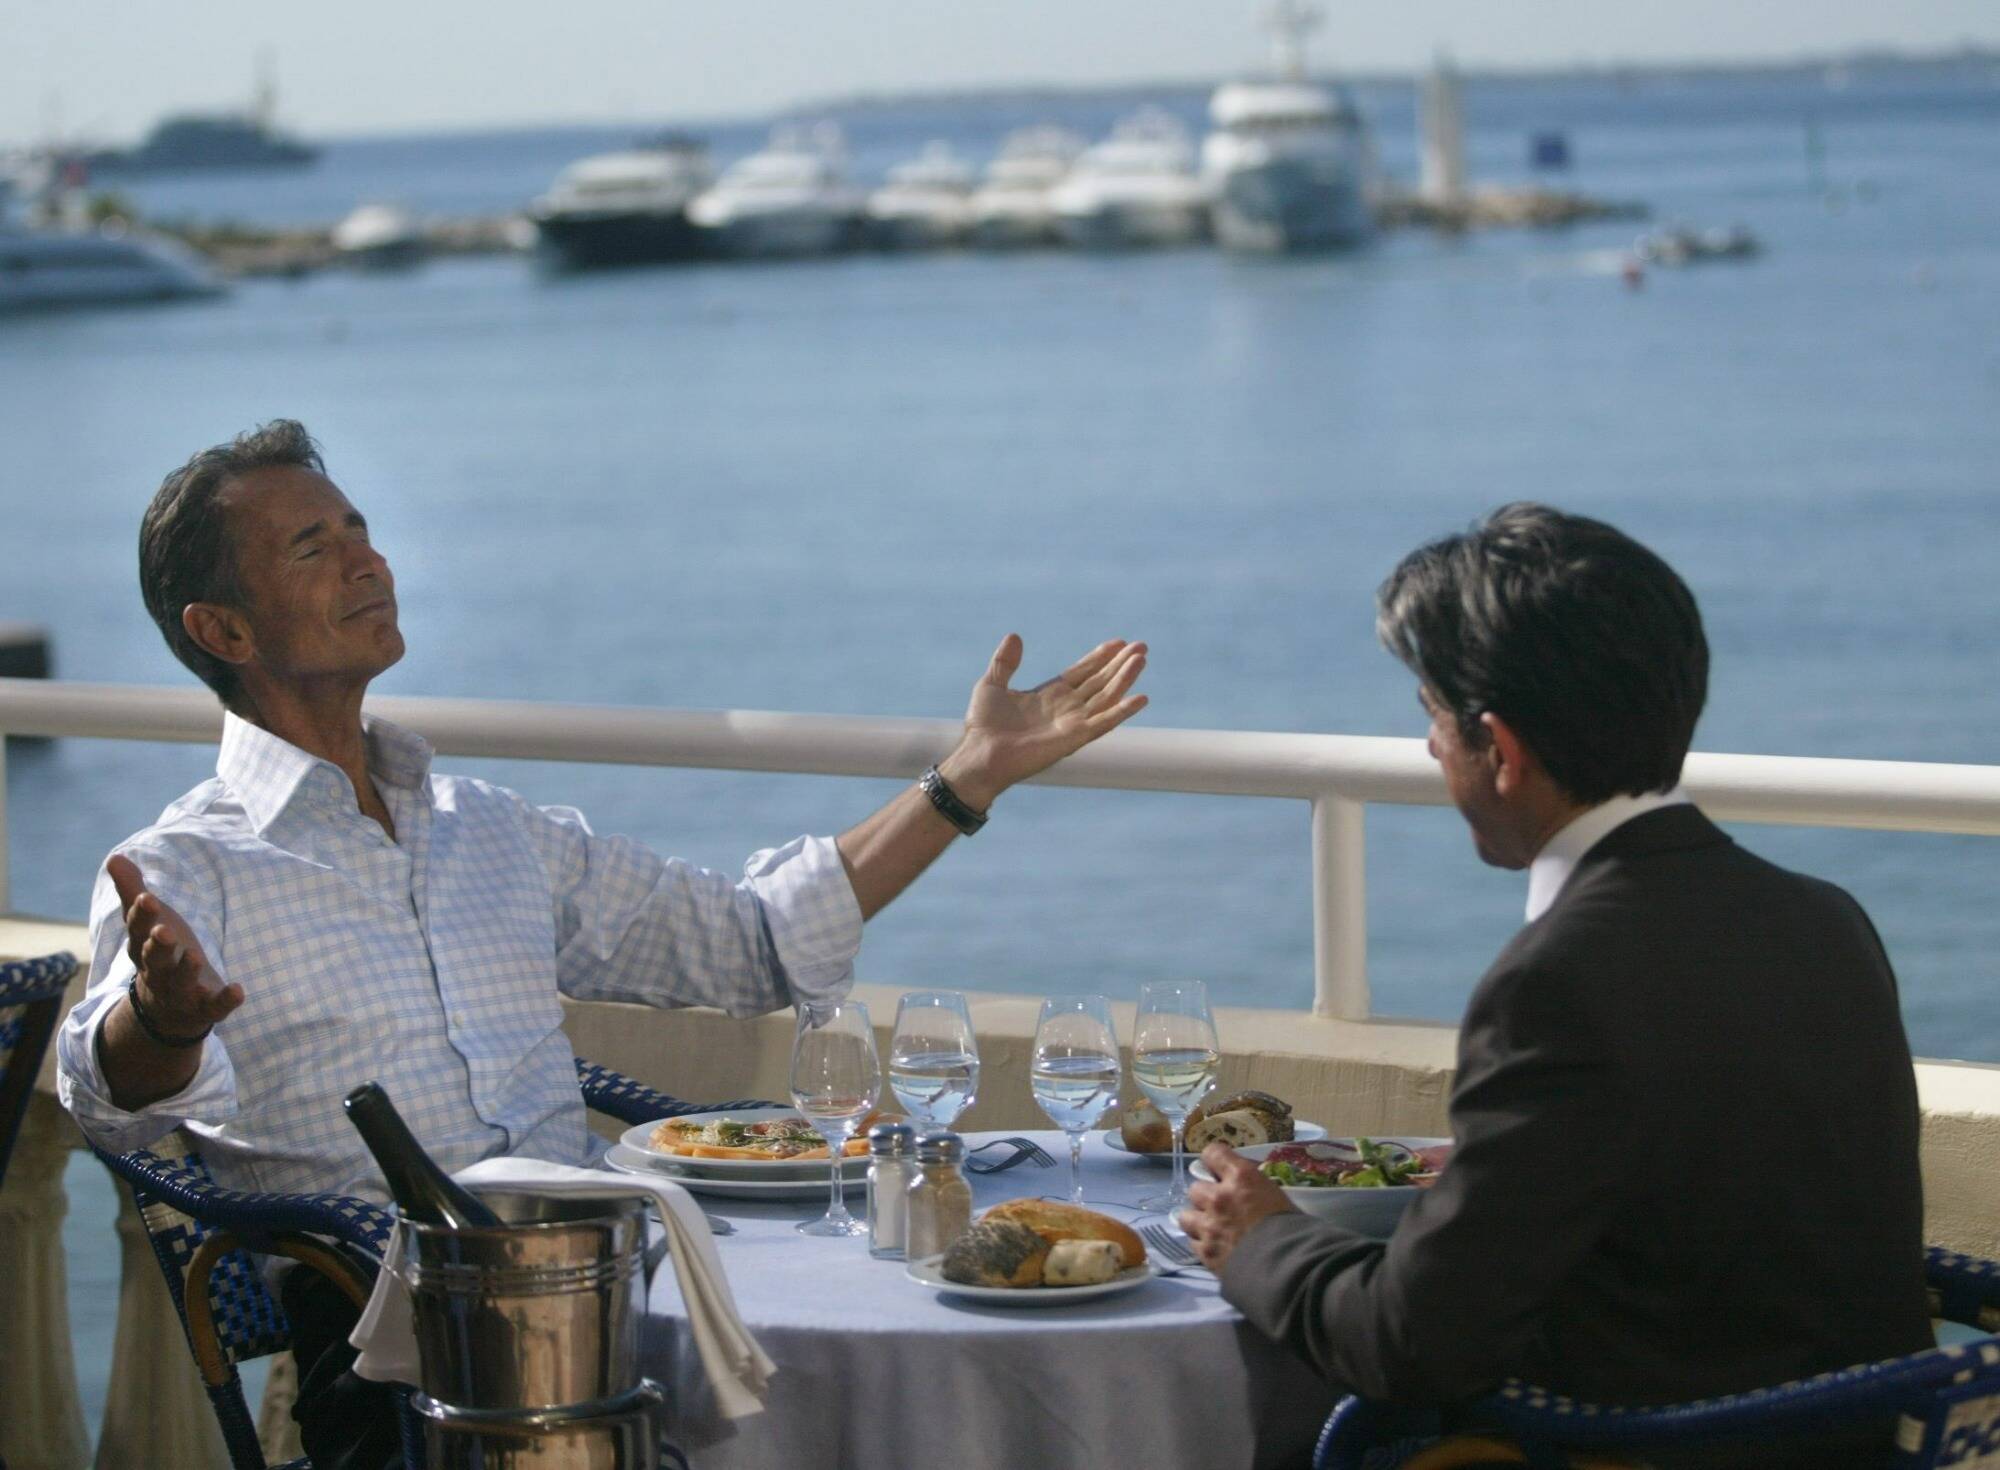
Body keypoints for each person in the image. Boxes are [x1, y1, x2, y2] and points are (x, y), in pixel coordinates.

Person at [56, 419, 1149, 1469]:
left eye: (358, 528)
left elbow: (751, 943)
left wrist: (967, 779)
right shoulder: (185, 868)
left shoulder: (485, 827)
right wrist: (161, 1021)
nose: (367, 559)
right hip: (411, 1353)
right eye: (314, 545)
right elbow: (110, 1096)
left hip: (622, 1285)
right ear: (225, 631)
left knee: (929, 1315)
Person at [1180, 504, 1929, 1469]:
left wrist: (1259, 1241)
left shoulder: (1557, 980)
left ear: (1502, 749)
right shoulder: (1825, 920)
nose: (1429, 751)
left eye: (1432, 721)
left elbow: (1414, 1345)